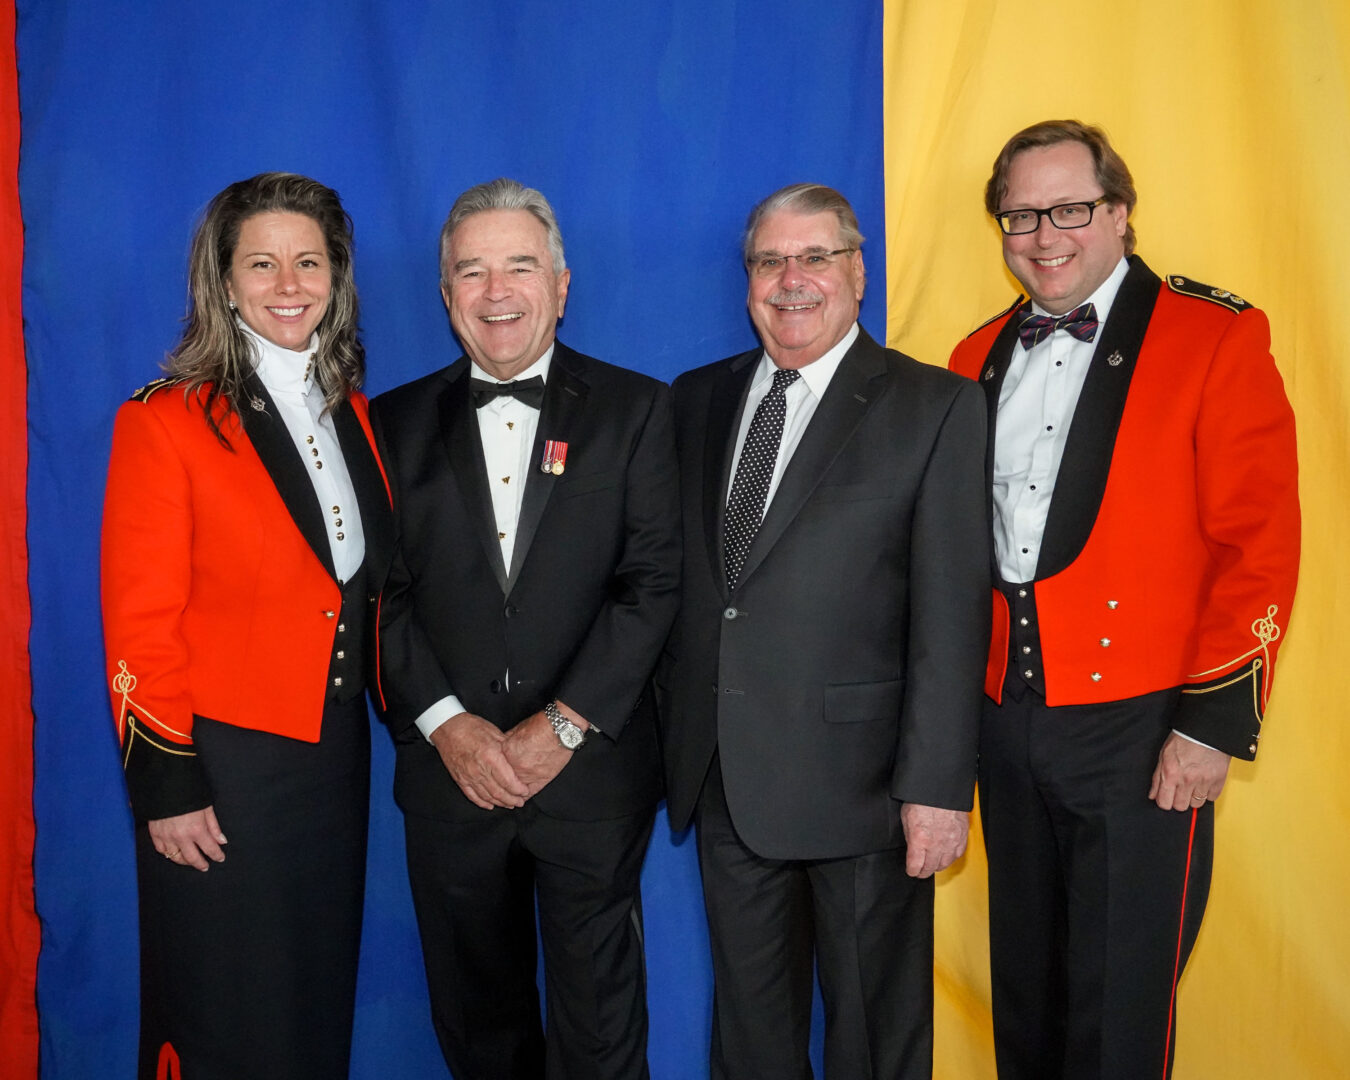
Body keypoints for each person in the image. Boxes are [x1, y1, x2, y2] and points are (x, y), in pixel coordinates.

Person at [948, 120, 1301, 1080]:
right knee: (1023, 995)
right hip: (1005, 719)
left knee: (1118, 1011)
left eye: (1069, 208)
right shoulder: (973, 353)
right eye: (1019, 214)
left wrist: (1211, 725)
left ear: (1121, 214)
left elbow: (1259, 544)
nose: (1042, 234)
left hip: (1143, 731)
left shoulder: (1214, 334)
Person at [658, 182, 990, 1079]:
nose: (790, 280)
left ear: (858, 272)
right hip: (726, 777)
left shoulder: (936, 408)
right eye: (770, 261)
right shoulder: (694, 400)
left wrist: (937, 788)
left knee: (875, 1045)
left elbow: (953, 618)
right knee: (751, 1041)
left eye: (815, 257)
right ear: (748, 281)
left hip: (868, 793)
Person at [371, 178, 679, 1080]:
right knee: (478, 1029)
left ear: (562, 282)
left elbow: (653, 585)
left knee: (600, 1034)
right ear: (445, 294)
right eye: (471, 271)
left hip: (590, 780)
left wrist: (564, 724)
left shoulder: (638, 410)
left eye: (518, 266)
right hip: (449, 781)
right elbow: (374, 597)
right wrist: (449, 727)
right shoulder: (383, 424)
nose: (496, 291)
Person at [101, 172, 392, 1079]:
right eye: (261, 264)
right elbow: (138, 620)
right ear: (222, 282)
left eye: (309, 261)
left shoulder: (353, 412)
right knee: (228, 1012)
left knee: (312, 1003)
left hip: (333, 759)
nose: (288, 283)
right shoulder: (167, 421)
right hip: (221, 774)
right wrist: (168, 785)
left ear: (336, 277)